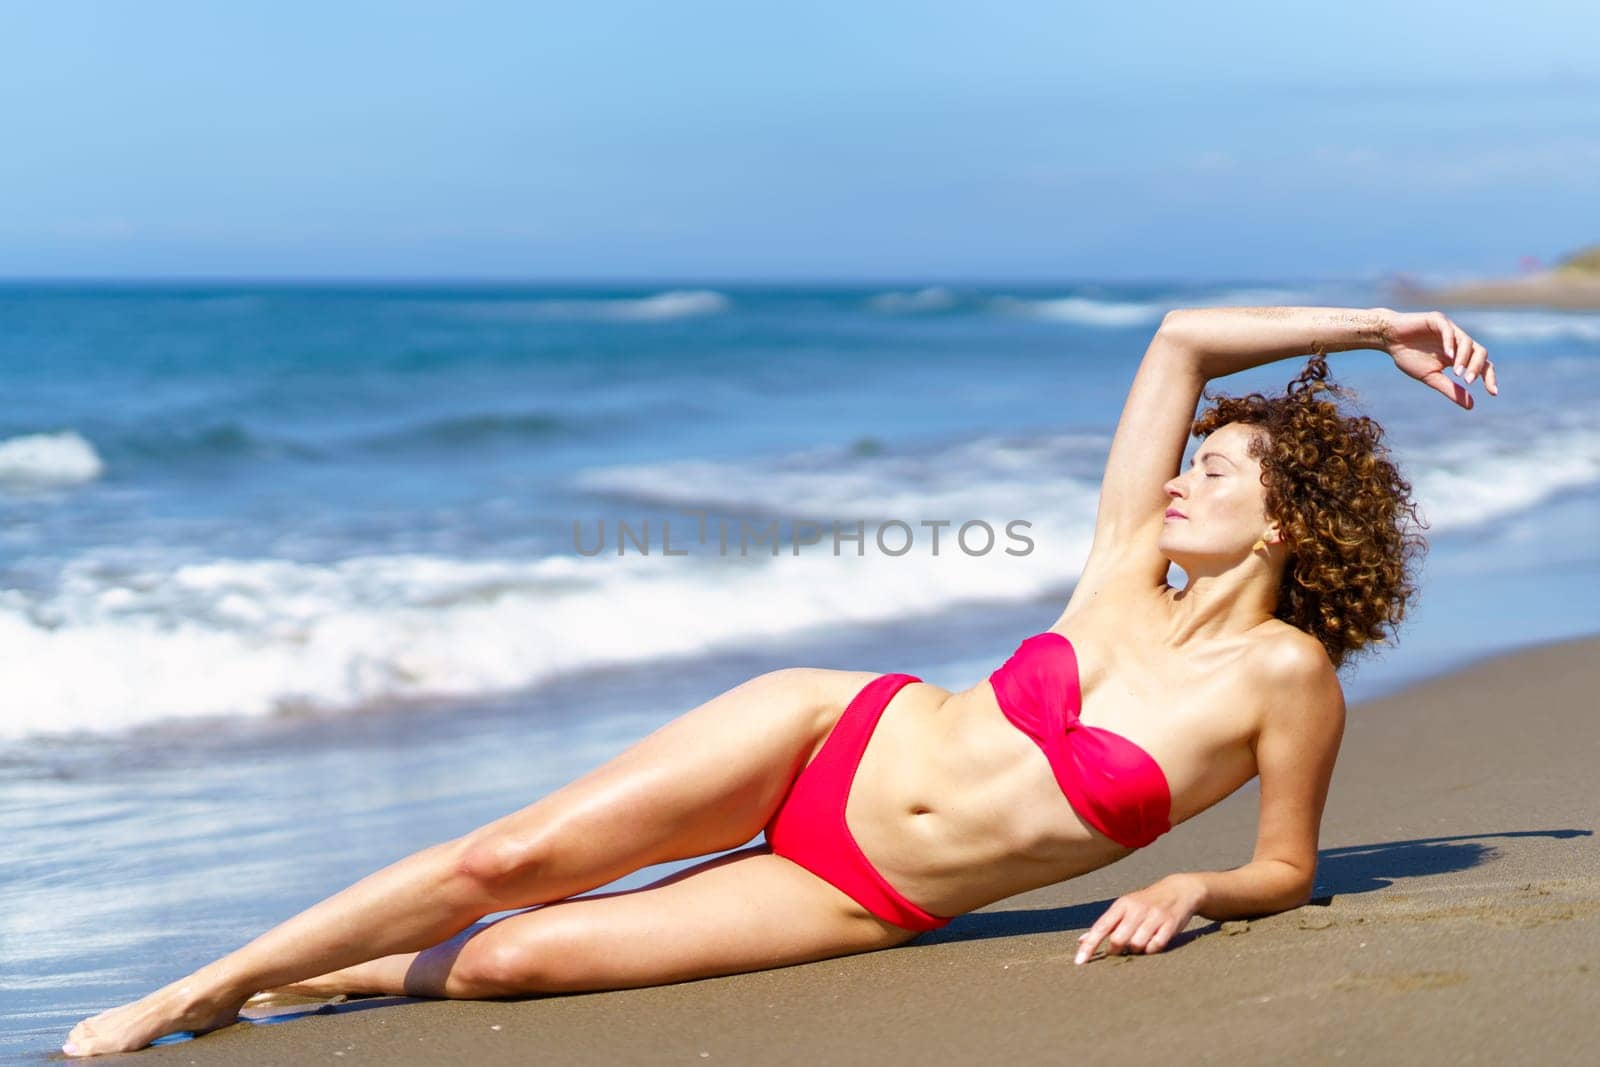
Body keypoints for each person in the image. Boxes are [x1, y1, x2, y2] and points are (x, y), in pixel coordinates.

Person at [62, 305, 1496, 1057]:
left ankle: (303, 982)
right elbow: (1182, 337)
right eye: (1194, 459)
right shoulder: (1126, 562)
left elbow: (1292, 867)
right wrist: (1374, 331)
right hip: (827, 734)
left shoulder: (1287, 680)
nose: (1185, 479)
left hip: (859, 898)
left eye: (1223, 472)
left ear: (1293, 522)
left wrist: (1195, 887)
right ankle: (212, 978)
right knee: (515, 858)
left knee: (508, 963)